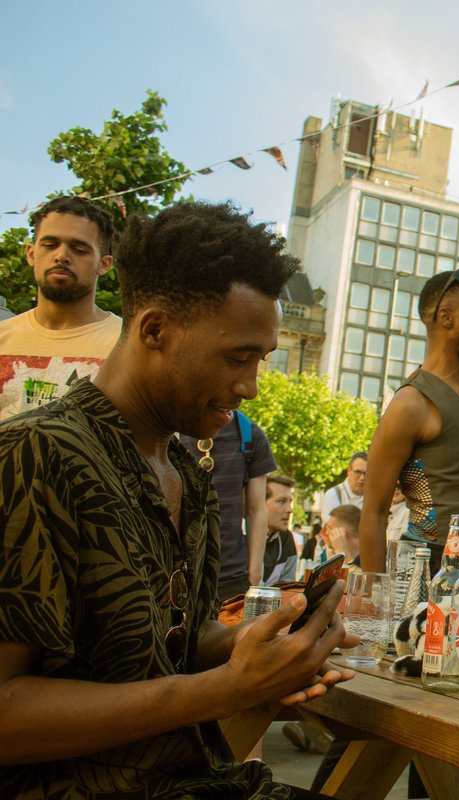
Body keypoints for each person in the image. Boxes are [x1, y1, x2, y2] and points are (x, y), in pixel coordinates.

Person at [0, 200, 355, 798]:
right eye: (237, 356)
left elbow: (165, 648)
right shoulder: (31, 457)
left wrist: (259, 642)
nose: (250, 386)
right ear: (155, 330)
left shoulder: (186, 473)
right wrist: (228, 689)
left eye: (260, 360)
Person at [359, 268, 459, 576]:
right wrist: (375, 598)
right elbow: (373, 513)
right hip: (429, 577)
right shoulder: (411, 404)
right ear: (447, 318)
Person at [0, 196, 121, 421]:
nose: (61, 256)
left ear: (104, 265)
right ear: (31, 254)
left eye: (79, 249)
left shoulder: (127, 346)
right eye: (50, 245)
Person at [180, 410, 277, 600]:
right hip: (179, 574)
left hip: (232, 578)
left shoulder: (249, 435)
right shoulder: (174, 428)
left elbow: (256, 510)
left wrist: (254, 574)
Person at [264, 474, 301, 585]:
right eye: (281, 501)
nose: (290, 509)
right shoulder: (240, 536)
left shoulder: (286, 537)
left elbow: (287, 586)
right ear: (259, 503)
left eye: (290, 502)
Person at [321, 452, 367, 524]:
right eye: (358, 472)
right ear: (349, 471)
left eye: (366, 473)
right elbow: (333, 527)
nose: (362, 478)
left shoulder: (372, 497)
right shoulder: (333, 494)